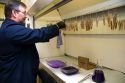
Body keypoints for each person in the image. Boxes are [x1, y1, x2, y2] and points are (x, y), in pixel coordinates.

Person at [0, 1, 66, 83]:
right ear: (14, 13)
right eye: (24, 13)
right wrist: (57, 26)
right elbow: (38, 34)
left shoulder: (8, 27)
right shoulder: (11, 30)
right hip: (16, 78)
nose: (25, 16)